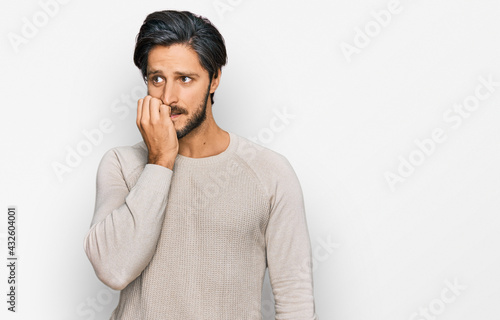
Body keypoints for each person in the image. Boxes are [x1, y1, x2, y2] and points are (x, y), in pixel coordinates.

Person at [83, 9, 318, 320]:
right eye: (157, 79)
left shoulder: (269, 172)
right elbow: (114, 270)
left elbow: (295, 300)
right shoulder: (121, 164)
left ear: (214, 78)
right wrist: (160, 161)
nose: (168, 97)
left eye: (185, 79)